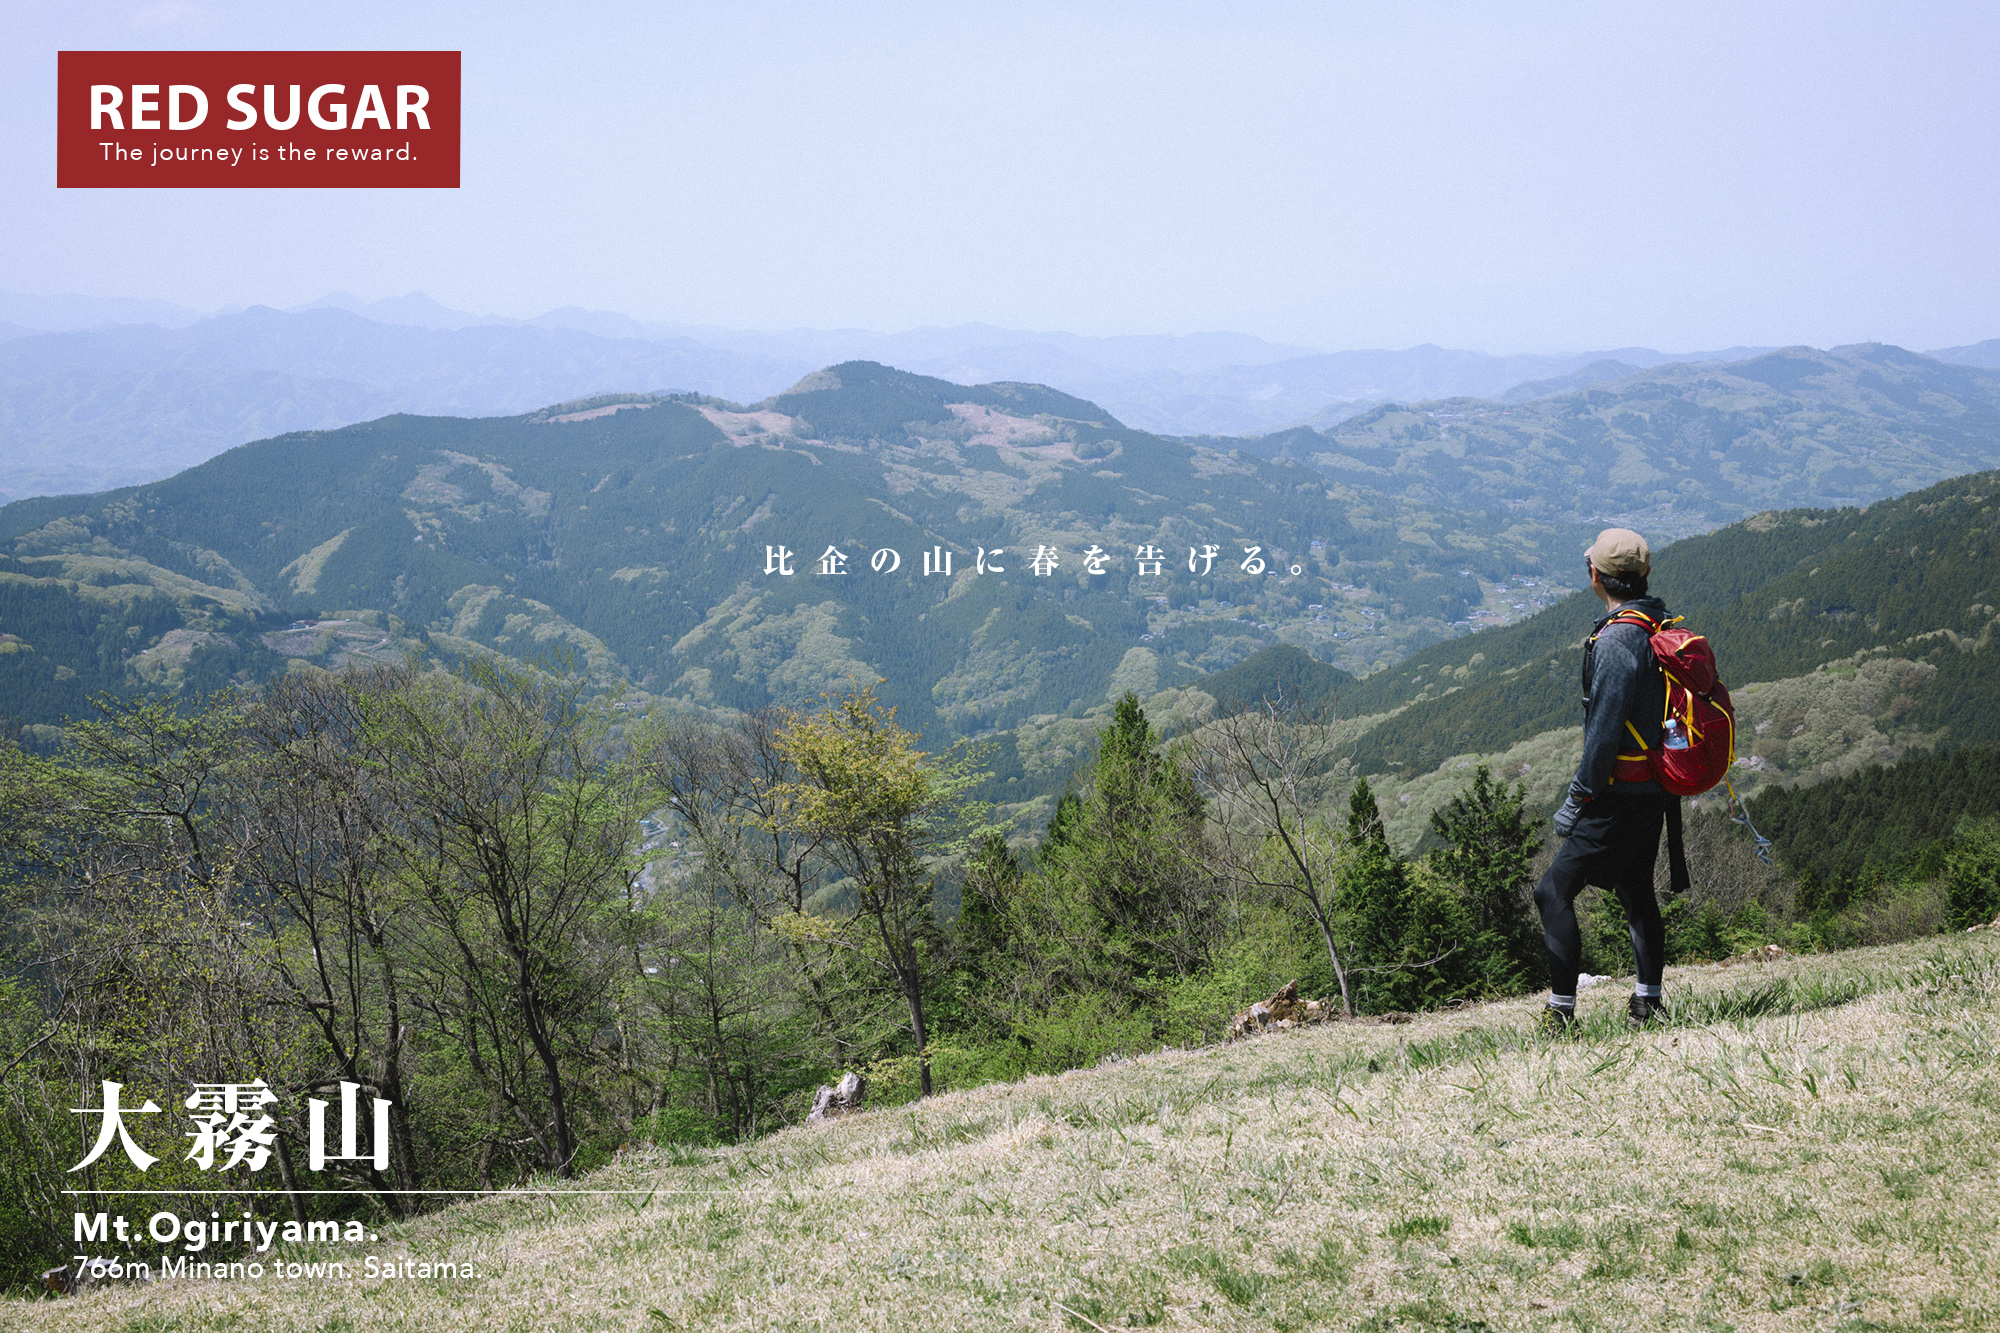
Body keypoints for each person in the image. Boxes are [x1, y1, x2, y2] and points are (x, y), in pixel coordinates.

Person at [1534, 528, 1672, 1033]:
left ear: (1595, 574)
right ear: (1645, 574)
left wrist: (1577, 799)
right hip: (1654, 788)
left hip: (1617, 792)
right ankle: (1647, 1004)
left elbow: (1604, 734)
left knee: (1552, 891)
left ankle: (1561, 1016)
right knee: (1636, 888)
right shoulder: (1657, 624)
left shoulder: (1617, 640)